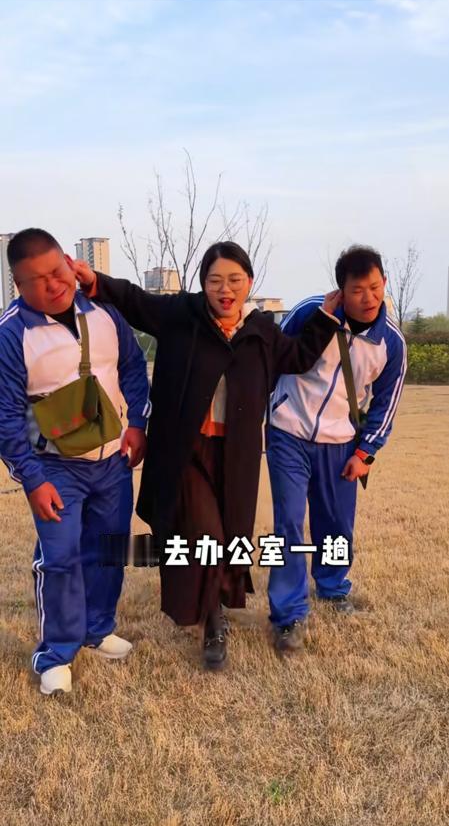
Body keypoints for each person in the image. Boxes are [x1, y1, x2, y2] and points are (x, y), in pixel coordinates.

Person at [76, 241, 341, 670]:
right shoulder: (182, 315)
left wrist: (326, 318)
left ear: (249, 282)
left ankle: (215, 608)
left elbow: (298, 356)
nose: (225, 289)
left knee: (230, 532)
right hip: (186, 451)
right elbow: (135, 300)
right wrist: (96, 282)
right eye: (215, 280)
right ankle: (214, 621)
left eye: (235, 280)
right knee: (207, 534)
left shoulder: (261, 332)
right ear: (203, 283)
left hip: (235, 454)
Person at [0, 228, 150, 695]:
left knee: (109, 548)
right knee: (61, 557)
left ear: (70, 261)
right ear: (19, 285)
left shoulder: (105, 311)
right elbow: (6, 416)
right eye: (37, 280)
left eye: (57, 270)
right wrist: (32, 479)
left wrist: (137, 424)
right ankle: (56, 654)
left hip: (112, 460)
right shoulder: (12, 333)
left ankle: (97, 629)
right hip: (55, 467)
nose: (53, 284)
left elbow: (132, 368)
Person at [266, 244, 407, 651]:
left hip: (342, 443)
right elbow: (273, 358)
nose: (369, 298)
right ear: (340, 290)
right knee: (289, 522)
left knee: (336, 523)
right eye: (358, 290)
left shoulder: (391, 343)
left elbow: (386, 403)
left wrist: (365, 453)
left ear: (384, 283)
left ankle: (331, 586)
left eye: (375, 287)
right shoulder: (310, 311)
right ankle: (289, 614)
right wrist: (265, 412)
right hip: (288, 431)